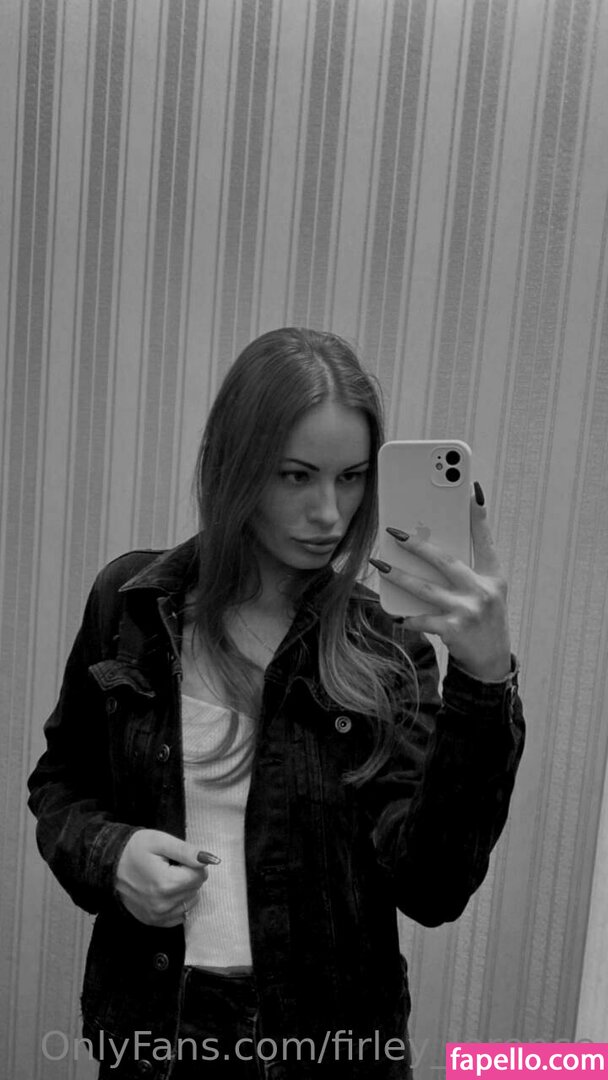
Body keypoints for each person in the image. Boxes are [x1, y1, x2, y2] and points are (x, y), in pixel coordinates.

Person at [27, 327, 525, 1080]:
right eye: (297, 476)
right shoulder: (132, 608)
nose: (330, 512)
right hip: (155, 1038)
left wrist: (484, 682)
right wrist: (112, 854)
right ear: (235, 465)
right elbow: (62, 783)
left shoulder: (387, 648)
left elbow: (433, 888)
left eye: (352, 478)